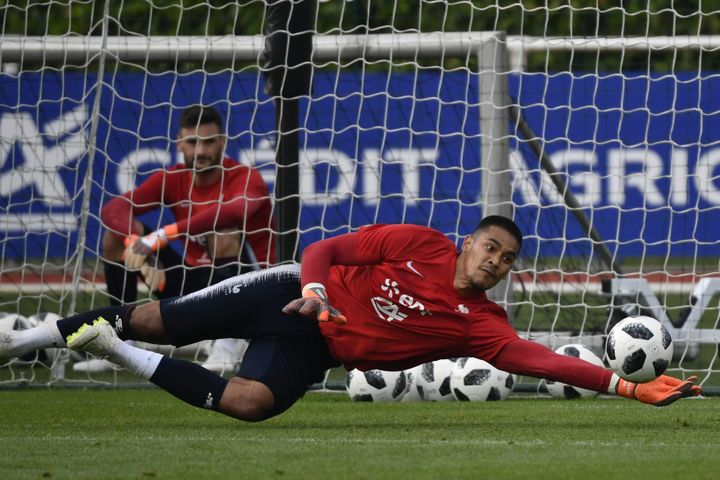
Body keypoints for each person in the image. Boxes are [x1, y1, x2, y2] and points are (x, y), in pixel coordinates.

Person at [0, 217, 701, 421]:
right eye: (490, 247)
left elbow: (540, 360)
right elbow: (329, 249)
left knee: (249, 405)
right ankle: (22, 343)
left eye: (506, 259)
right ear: (469, 242)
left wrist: (630, 388)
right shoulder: (420, 243)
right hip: (286, 292)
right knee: (150, 318)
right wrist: (311, 287)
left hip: (316, 347)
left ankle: (110, 351)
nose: (493, 262)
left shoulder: (478, 326)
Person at [81, 104, 274, 373]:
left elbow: (235, 211)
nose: (202, 151)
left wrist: (163, 234)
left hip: (253, 290)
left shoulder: (245, 177)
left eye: (209, 142)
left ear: (222, 142)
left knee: (222, 231)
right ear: (180, 144)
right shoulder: (173, 178)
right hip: (193, 282)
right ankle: (124, 342)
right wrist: (134, 244)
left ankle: (228, 344)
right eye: (193, 142)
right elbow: (113, 209)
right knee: (115, 235)